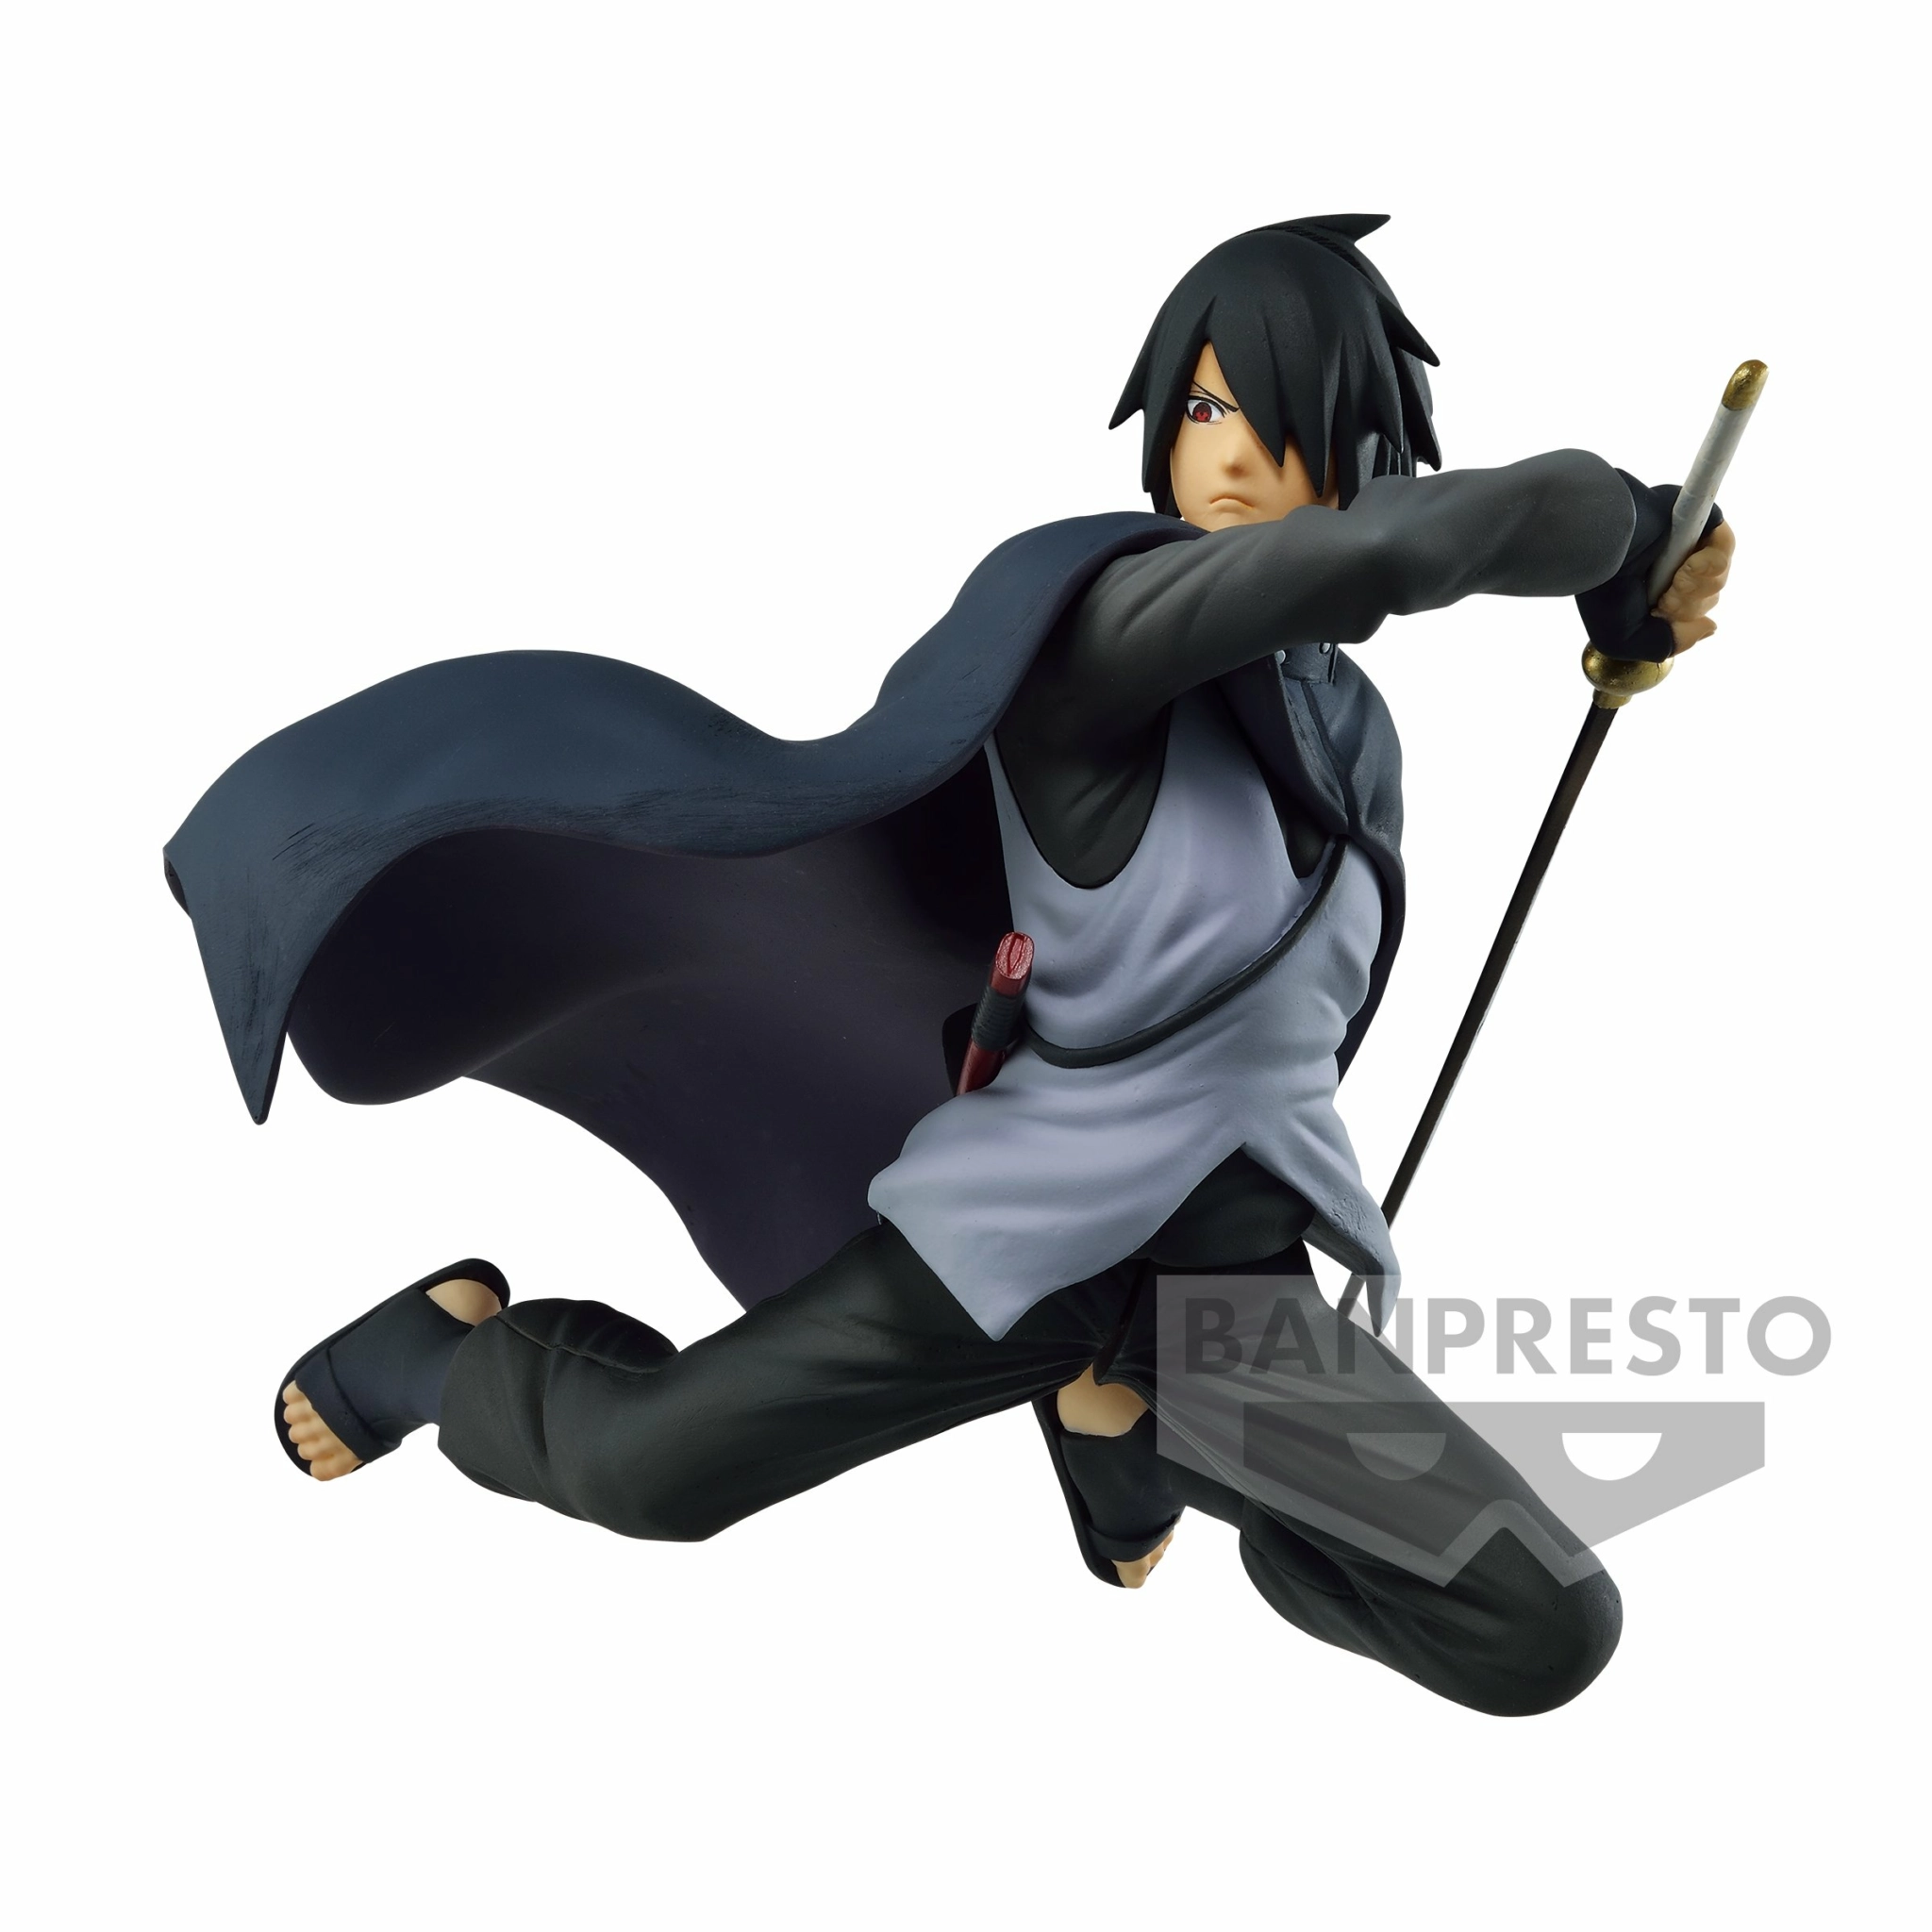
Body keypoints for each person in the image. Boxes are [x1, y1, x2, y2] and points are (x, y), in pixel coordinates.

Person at [170, 215, 1733, 1716]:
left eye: (1284, 419)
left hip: (1224, 1284)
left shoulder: (1350, 735)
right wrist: (1624, 527)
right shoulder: (1104, 628)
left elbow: (1290, 1018)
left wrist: (1253, 1454)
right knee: (649, 1474)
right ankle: (440, 1356)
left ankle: (1141, 1434)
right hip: (1012, 1241)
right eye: (1203, 410)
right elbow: (1411, 546)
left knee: (1540, 1630)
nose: (1234, 458)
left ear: (1362, 444)